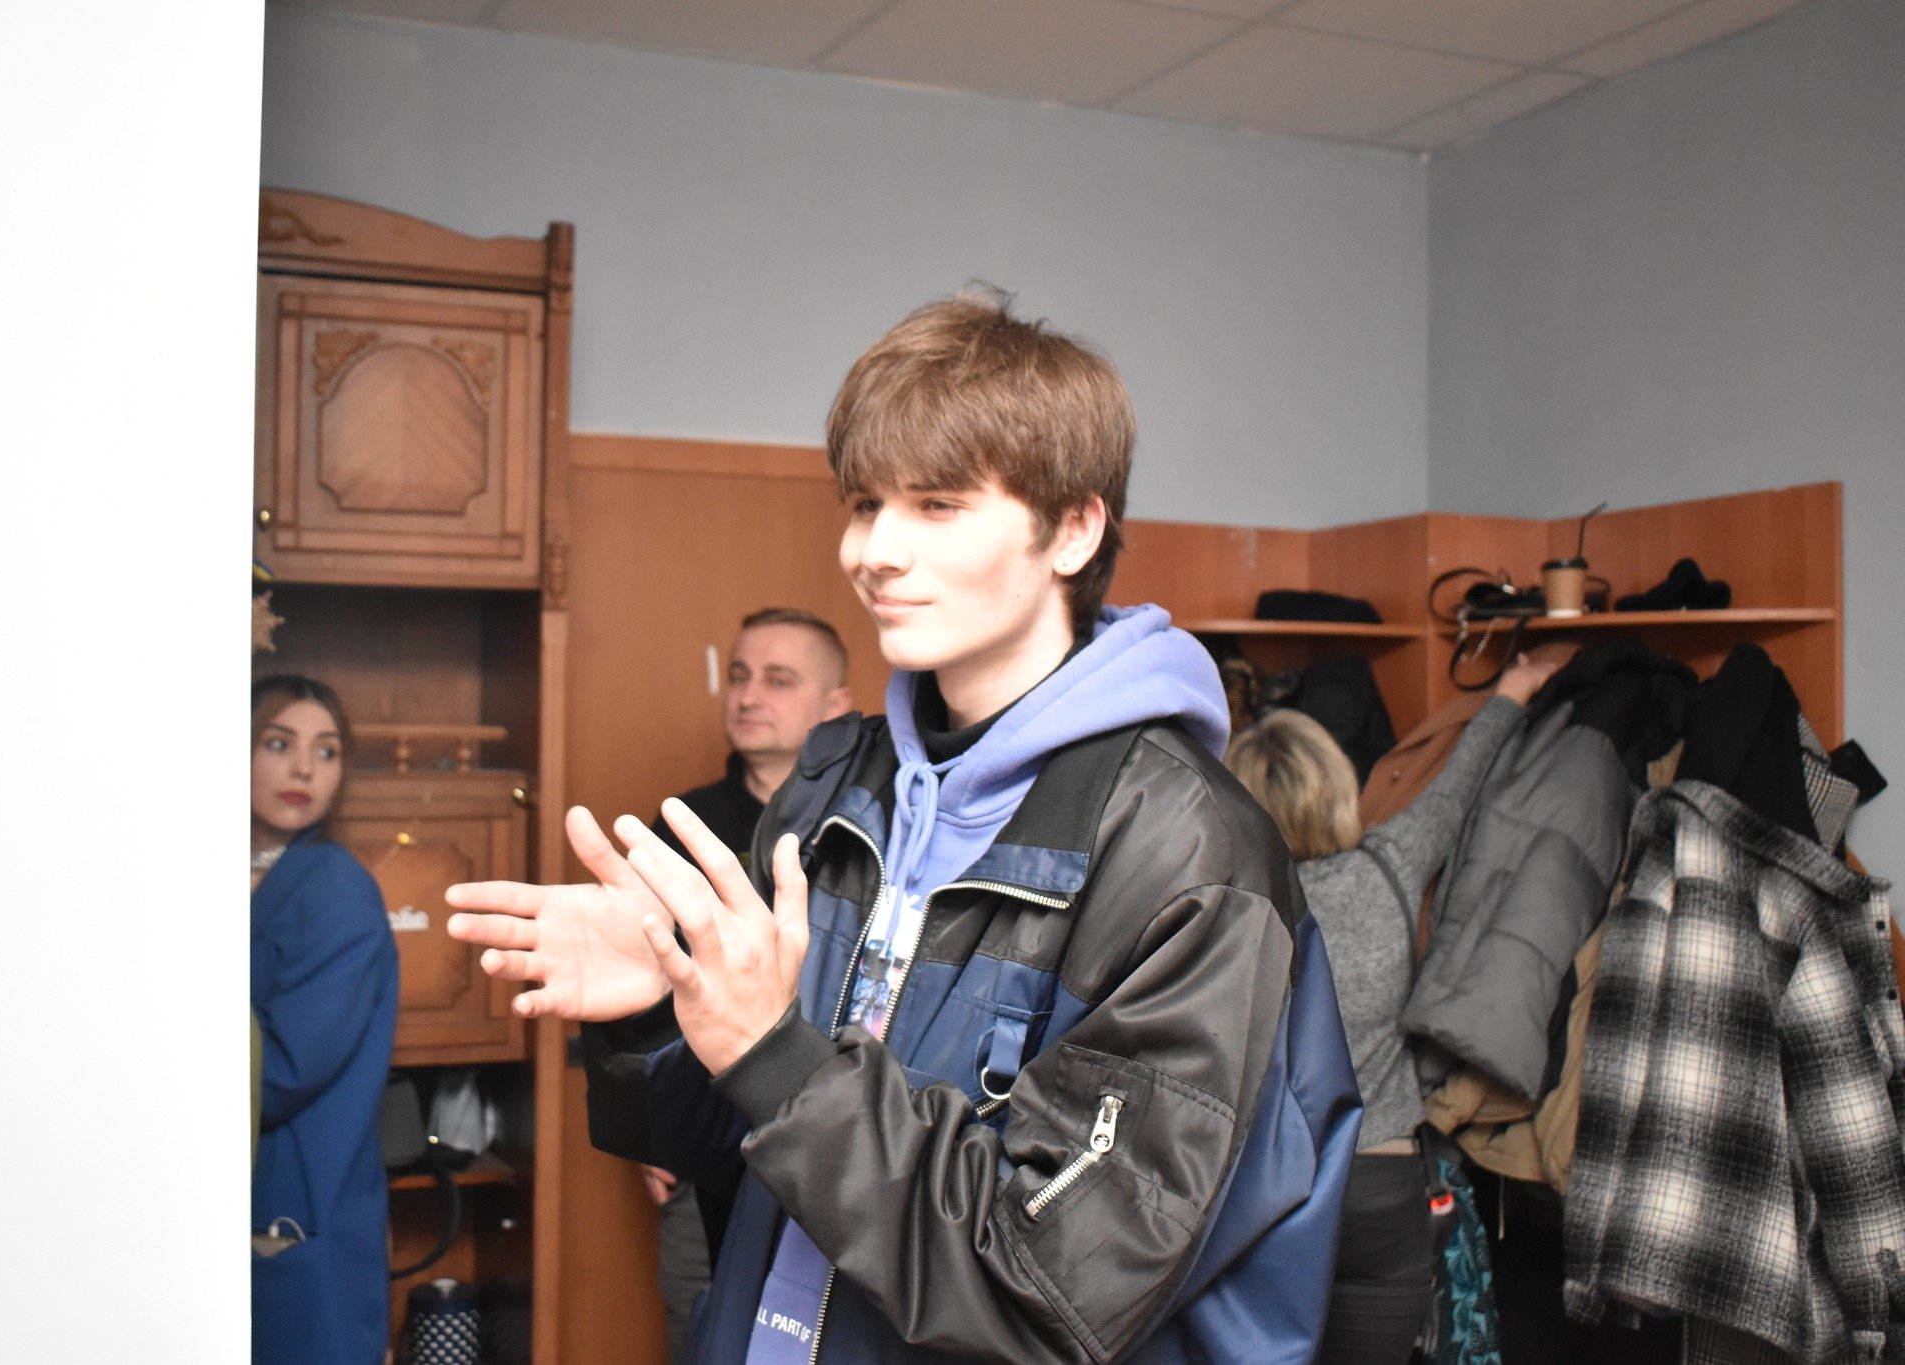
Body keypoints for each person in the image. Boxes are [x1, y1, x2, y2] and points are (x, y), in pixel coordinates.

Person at [447, 290, 1360, 1364]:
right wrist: (668, 999)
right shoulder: (836, 783)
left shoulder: (1187, 852)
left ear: (1073, 529)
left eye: (936, 505)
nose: (873, 550)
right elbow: (740, 1144)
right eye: (863, 504)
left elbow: (1053, 1287)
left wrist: (773, 1056)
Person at [1223, 653, 1561, 1365]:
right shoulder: (1390, 866)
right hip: (1381, 1185)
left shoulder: (1224, 909)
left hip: (1266, 1190)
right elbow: (1460, 782)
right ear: (1337, 787)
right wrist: (1513, 688)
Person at [640, 608, 854, 1364]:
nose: (749, 695)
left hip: (835, 1143)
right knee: (705, 1332)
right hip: (706, 1150)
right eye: (738, 676)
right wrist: (654, 1127)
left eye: (778, 679)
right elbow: (645, 994)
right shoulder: (683, 824)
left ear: (836, 705)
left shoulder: (863, 826)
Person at [249, 674, 400, 1365]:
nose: (304, 769)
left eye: (327, 750)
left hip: (298, 1211)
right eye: (278, 743)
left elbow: (279, 1074)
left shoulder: (335, 890)